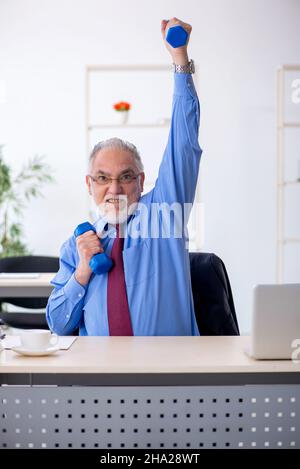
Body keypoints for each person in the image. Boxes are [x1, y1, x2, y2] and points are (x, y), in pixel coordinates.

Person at [46, 18, 202, 336]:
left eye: (126, 176)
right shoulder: (77, 247)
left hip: (167, 377)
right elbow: (58, 325)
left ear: (141, 181)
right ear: (89, 185)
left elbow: (183, 145)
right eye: (103, 178)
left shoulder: (164, 217)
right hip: (98, 380)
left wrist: (180, 60)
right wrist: (81, 272)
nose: (114, 189)